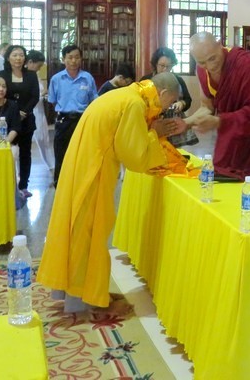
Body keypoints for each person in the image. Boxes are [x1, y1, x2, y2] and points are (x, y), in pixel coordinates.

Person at [37, 72, 184, 313]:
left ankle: (75, 291)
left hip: (84, 163)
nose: (167, 108)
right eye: (170, 102)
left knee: (77, 226)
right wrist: (155, 133)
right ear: (164, 93)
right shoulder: (135, 103)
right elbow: (133, 155)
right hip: (94, 170)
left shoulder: (126, 94)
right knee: (88, 230)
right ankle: (80, 298)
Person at [188, 32, 250, 190]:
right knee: (223, 188)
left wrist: (219, 121)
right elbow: (207, 106)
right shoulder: (202, 70)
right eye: (202, 62)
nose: (209, 66)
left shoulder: (246, 64)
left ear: (220, 44)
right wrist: (186, 123)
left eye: (212, 58)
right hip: (230, 140)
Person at [48, 44, 98, 187]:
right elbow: (52, 100)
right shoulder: (57, 79)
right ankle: (60, 183)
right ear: (63, 59)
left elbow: (94, 100)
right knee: (61, 153)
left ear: (81, 59)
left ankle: (81, 183)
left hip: (82, 120)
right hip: (63, 120)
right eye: (70, 57)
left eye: (77, 57)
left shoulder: (87, 78)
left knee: (82, 153)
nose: (73, 61)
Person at [0, 45, 41, 195]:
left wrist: (24, 112)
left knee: (25, 153)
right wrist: (14, 113)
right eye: (15, 55)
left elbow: (35, 96)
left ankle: (23, 185)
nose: (18, 58)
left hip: (26, 119)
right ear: (8, 58)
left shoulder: (31, 75)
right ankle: (7, 184)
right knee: (6, 151)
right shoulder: (2, 74)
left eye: (21, 55)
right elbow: (0, 94)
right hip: (7, 119)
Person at [26, 50, 55, 172]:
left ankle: (51, 165)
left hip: (39, 110)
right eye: (38, 66)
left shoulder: (35, 74)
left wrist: (45, 94)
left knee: (44, 139)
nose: (39, 69)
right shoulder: (24, 76)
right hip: (30, 110)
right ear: (30, 62)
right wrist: (42, 94)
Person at [140, 47, 193, 113]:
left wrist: (182, 103)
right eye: (162, 65)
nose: (165, 69)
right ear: (156, 64)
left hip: (173, 115)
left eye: (169, 66)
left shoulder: (178, 80)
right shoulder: (146, 80)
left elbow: (188, 99)